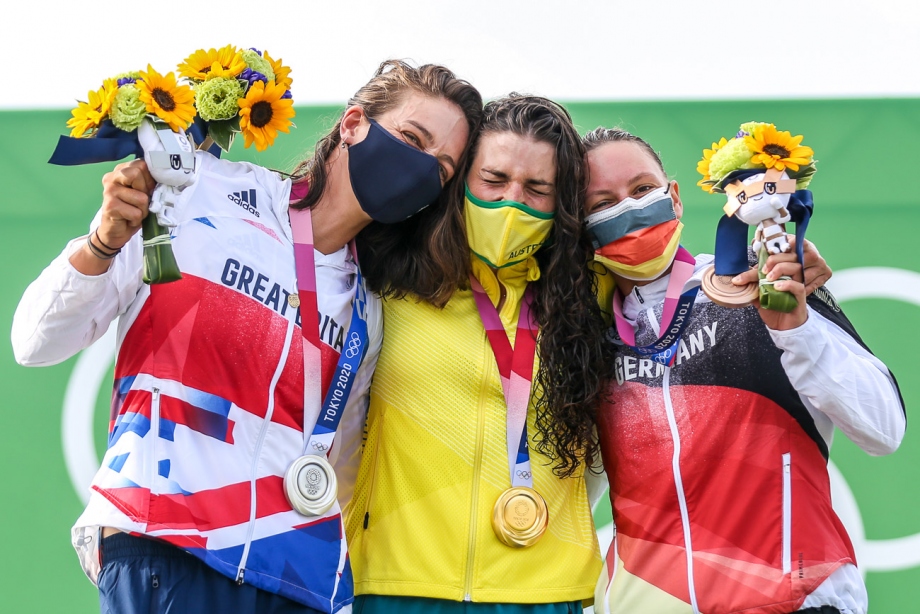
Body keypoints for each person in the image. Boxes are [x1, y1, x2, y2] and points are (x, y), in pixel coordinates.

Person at [11, 60, 481, 614]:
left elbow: (340, 469)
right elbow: (35, 341)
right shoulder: (196, 193)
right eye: (411, 138)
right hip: (164, 541)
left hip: (296, 580)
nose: (421, 166)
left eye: (442, 169)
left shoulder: (368, 309)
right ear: (353, 123)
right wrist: (103, 241)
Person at [558, 127, 906, 614]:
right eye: (603, 202)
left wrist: (796, 328)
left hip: (798, 602)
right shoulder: (586, 338)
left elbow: (884, 428)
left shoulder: (762, 280)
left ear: (674, 196)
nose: (630, 210)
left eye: (641, 190)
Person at [345, 95, 610, 614]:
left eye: (537, 189)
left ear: (563, 205)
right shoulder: (388, 277)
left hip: (547, 592)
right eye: (494, 180)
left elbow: (686, 289)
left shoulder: (593, 295)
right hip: (394, 586)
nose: (512, 203)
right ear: (461, 179)